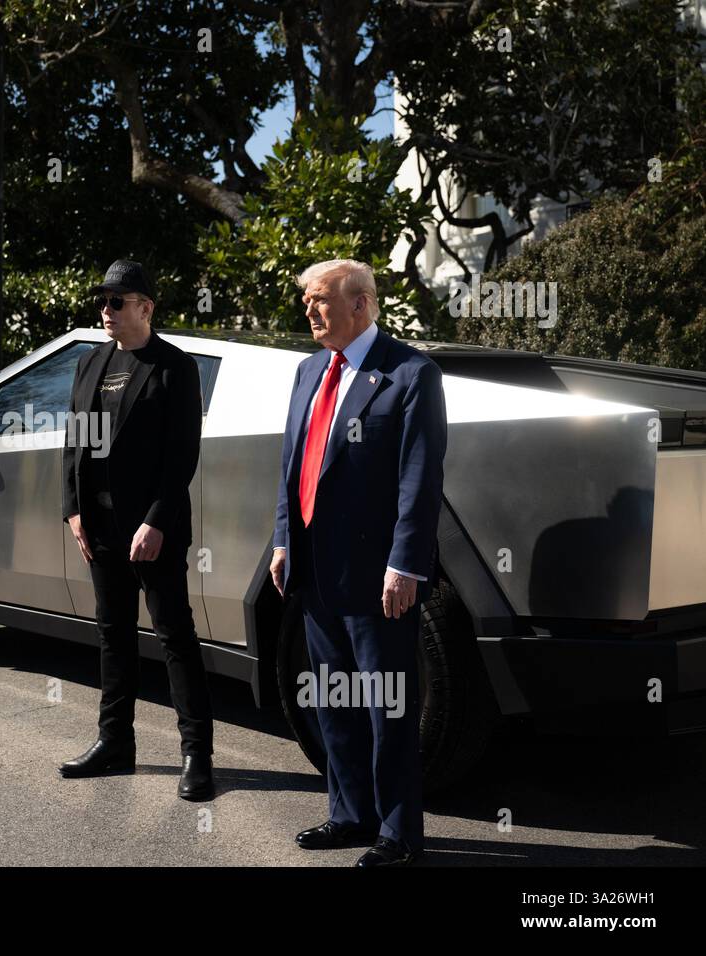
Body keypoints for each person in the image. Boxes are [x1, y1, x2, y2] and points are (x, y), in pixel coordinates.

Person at [270, 259, 447, 866]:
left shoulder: (410, 373)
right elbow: (294, 464)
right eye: (306, 300)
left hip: (379, 578)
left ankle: (398, 834)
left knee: (387, 703)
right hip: (316, 571)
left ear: (361, 303)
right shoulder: (307, 370)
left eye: (320, 299)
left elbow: (419, 480)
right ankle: (348, 816)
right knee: (334, 698)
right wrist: (282, 540)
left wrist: (406, 565)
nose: (310, 310)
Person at [59, 258, 215, 801]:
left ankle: (197, 755)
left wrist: (156, 520)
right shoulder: (89, 365)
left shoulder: (174, 366)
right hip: (99, 528)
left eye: (117, 301)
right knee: (112, 635)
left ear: (146, 308)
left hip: (155, 530)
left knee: (175, 637)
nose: (106, 310)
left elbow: (182, 456)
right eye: (102, 301)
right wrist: (73, 509)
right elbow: (74, 444)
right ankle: (114, 744)